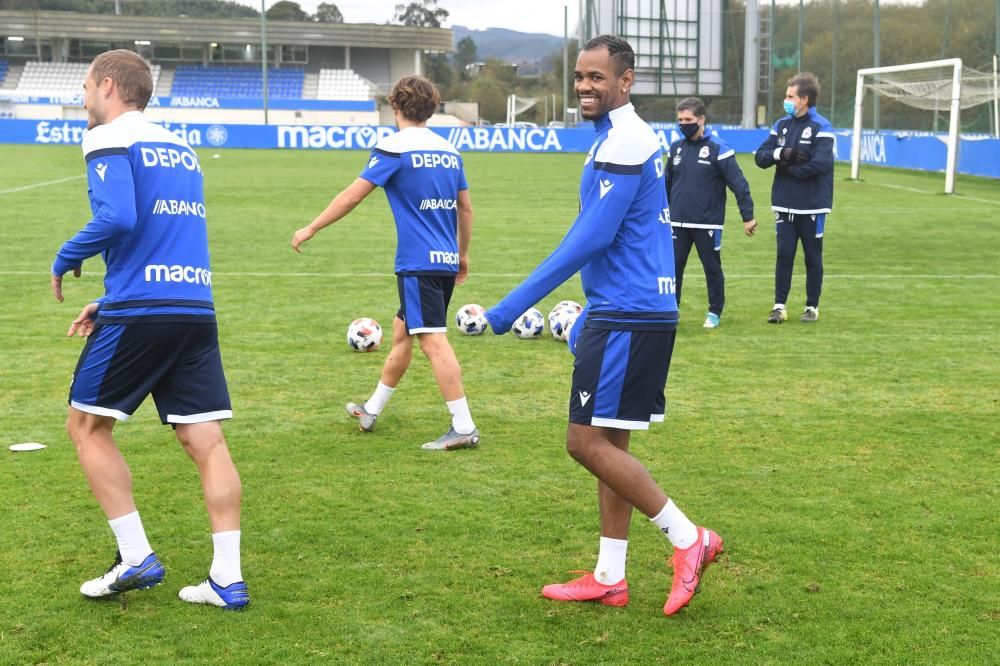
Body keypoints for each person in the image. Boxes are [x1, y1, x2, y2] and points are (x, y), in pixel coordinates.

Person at [484, 35, 723, 617]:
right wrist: (589, 305)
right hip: (625, 308)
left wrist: (511, 304)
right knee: (610, 442)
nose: (585, 86)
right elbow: (624, 233)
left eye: (597, 76)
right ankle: (610, 577)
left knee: (584, 442)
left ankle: (690, 538)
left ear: (626, 80)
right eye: (580, 76)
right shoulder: (617, 139)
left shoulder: (628, 138)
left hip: (630, 314)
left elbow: (594, 235)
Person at [51, 50, 248, 610]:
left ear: (108, 86)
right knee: (205, 441)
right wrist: (108, 299)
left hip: (143, 311)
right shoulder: (182, 148)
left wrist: (66, 256)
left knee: (85, 427)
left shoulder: (107, 137)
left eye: (87, 86)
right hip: (193, 308)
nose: (85, 97)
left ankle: (135, 556)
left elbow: (119, 218)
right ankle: (226, 580)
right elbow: (161, 235)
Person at [291, 75, 478, 451]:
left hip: (418, 262)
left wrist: (312, 227)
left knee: (433, 342)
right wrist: (462, 254)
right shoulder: (449, 152)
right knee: (401, 332)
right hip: (442, 259)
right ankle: (371, 409)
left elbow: (352, 196)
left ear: (396, 108)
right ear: (431, 109)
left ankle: (463, 425)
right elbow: (466, 207)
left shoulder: (393, 148)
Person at [666, 97, 757, 329]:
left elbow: (739, 183)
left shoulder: (719, 148)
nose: (683, 124)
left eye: (688, 119)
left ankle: (714, 312)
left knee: (712, 268)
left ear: (701, 119)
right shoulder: (676, 148)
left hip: (708, 223)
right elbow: (665, 186)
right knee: (673, 268)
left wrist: (747, 216)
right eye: (680, 120)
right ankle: (670, 311)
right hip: (677, 222)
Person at [754, 72, 835, 323]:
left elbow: (820, 164)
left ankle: (812, 306)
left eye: (790, 96)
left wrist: (788, 168)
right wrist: (781, 153)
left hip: (812, 205)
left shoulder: (822, 127)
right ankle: (779, 306)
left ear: (805, 99)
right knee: (784, 255)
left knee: (812, 256)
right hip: (783, 203)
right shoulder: (781, 125)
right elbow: (761, 157)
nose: (786, 100)